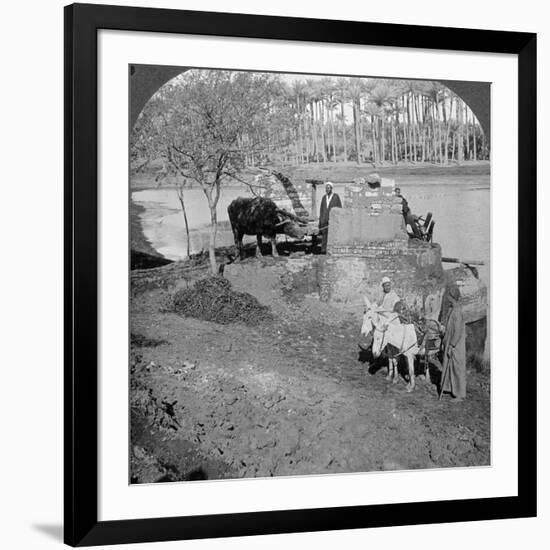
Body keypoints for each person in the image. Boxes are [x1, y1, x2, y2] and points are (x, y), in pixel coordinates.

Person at [439, 285, 467, 401]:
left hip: (456, 345)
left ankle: (459, 394)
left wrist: (452, 345)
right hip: (450, 342)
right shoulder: (452, 309)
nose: (447, 298)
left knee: (457, 367)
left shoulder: (457, 312)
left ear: (453, 297)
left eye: (449, 296)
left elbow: (458, 331)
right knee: (449, 365)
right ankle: (450, 388)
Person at [318, 181, 342, 254]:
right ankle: (323, 250)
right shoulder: (324, 197)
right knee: (324, 235)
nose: (327, 189)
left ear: (331, 189)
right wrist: (320, 220)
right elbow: (321, 209)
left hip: (332, 220)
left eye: (328, 188)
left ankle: (331, 250)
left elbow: (339, 208)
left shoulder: (336, 197)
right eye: (326, 188)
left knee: (332, 235)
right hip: (324, 219)